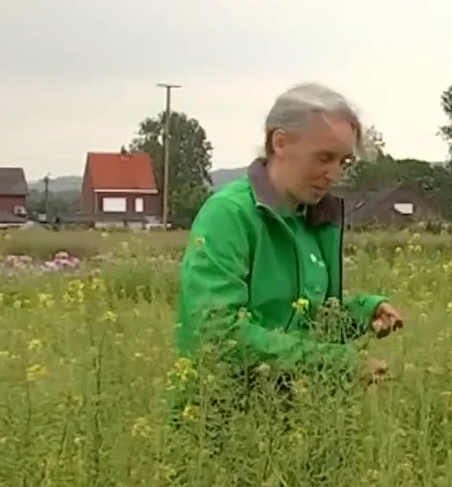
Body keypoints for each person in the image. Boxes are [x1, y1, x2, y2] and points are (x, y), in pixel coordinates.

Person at [173, 82, 404, 400]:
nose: (333, 174)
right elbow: (217, 334)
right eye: (323, 157)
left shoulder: (313, 219)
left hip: (296, 418)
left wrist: (364, 312)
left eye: (343, 162)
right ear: (280, 142)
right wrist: (341, 363)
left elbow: (304, 323)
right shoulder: (229, 215)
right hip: (222, 421)